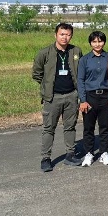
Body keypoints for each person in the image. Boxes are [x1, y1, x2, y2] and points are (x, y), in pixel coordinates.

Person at [33, 22, 83, 172]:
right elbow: (37, 73)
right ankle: (46, 158)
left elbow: (80, 72)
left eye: (68, 35)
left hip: (71, 95)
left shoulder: (76, 51)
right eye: (62, 34)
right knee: (49, 128)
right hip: (53, 97)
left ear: (71, 36)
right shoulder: (44, 53)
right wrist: (47, 86)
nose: (64, 37)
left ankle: (70, 154)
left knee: (70, 127)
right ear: (55, 35)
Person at [77, 30, 108, 167]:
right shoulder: (84, 60)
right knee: (88, 127)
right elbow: (80, 80)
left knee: (104, 126)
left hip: (106, 96)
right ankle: (89, 153)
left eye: (100, 41)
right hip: (90, 96)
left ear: (104, 42)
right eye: (94, 41)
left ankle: (104, 152)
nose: (97, 44)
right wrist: (83, 100)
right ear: (90, 43)